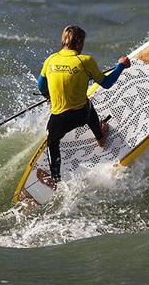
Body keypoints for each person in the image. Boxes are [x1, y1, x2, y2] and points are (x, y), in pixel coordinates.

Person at [38, 25, 130, 182]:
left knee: (53, 143)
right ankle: (100, 136)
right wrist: (121, 65)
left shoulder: (50, 60)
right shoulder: (86, 60)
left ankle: (55, 178)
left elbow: (41, 86)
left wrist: (49, 96)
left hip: (59, 120)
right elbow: (106, 83)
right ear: (79, 42)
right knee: (87, 104)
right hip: (81, 115)